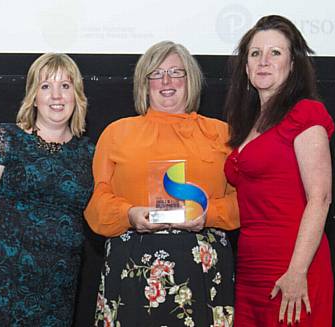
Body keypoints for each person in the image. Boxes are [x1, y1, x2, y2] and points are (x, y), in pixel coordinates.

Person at [85, 41, 239, 327]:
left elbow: (244, 201)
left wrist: (209, 216)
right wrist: (129, 214)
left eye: (175, 72)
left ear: (190, 80)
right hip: (132, 268)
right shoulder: (117, 133)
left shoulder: (221, 134)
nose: (166, 81)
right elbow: (98, 202)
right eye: (156, 74)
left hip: (202, 269)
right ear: (144, 84)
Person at [0, 53, 94, 326]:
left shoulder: (90, 152)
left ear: (77, 96)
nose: (56, 96)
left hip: (58, 292)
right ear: (33, 96)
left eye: (65, 86)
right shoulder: (7, 138)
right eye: (46, 86)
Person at [223, 15, 335, 326]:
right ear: (246, 67)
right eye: (255, 53)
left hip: (291, 267)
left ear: (293, 64)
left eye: (276, 53)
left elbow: (320, 198)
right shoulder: (246, 126)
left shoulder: (305, 114)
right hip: (249, 270)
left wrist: (297, 272)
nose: (263, 61)